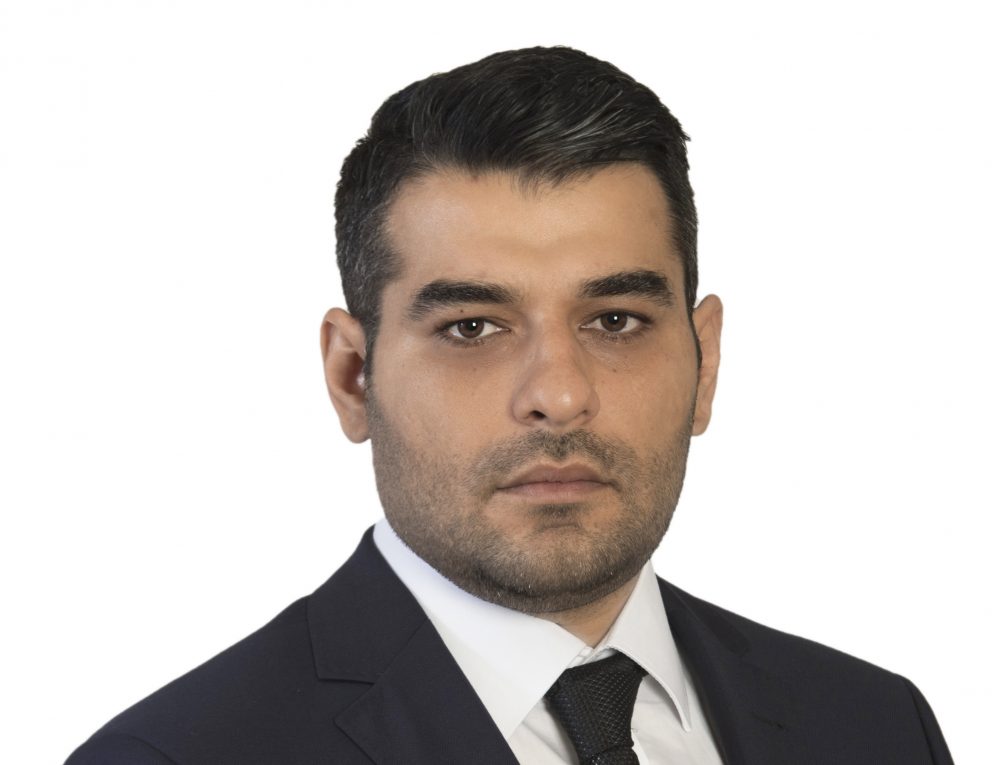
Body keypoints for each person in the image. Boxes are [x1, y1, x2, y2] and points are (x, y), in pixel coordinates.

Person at [65, 46, 953, 765]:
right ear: (353, 376)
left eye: (616, 319)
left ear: (704, 362)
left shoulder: (875, 726)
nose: (559, 395)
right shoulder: (176, 755)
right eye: (472, 328)